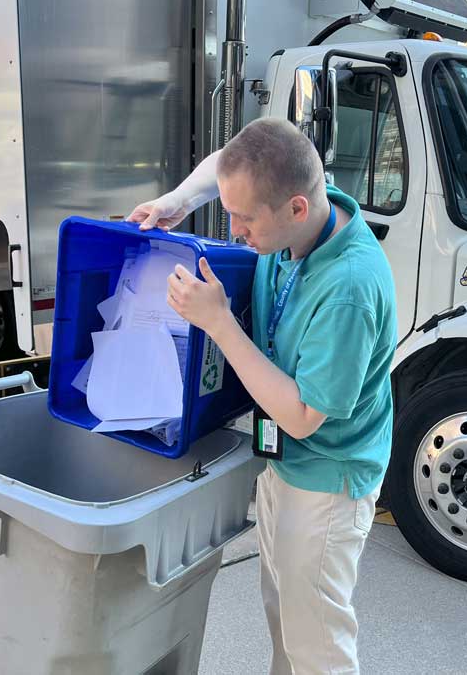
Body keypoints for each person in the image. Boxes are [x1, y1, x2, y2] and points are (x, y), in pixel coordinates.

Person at [128, 117, 397, 675]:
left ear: (296, 208)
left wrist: (221, 324)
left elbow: (301, 417)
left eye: (244, 219)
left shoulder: (348, 287)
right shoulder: (302, 213)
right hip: (281, 463)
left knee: (317, 646)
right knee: (287, 623)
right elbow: (231, 160)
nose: (235, 230)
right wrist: (179, 200)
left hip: (325, 480)